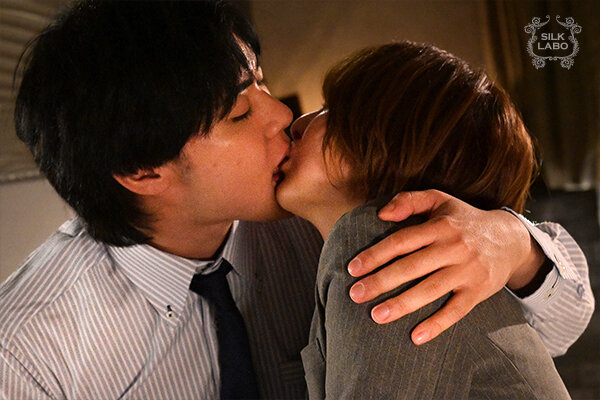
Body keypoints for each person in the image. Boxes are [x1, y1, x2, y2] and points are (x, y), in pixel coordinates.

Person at [0, 1, 592, 399]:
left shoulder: (341, 222)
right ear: (142, 169)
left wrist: (513, 244)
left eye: (261, 81)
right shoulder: (28, 349)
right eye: (240, 112)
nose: (283, 114)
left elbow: (556, 330)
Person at [276, 42, 591, 399]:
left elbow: (569, 318)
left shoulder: (382, 244)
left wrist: (517, 244)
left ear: (391, 143)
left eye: (329, 110)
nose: (297, 123)